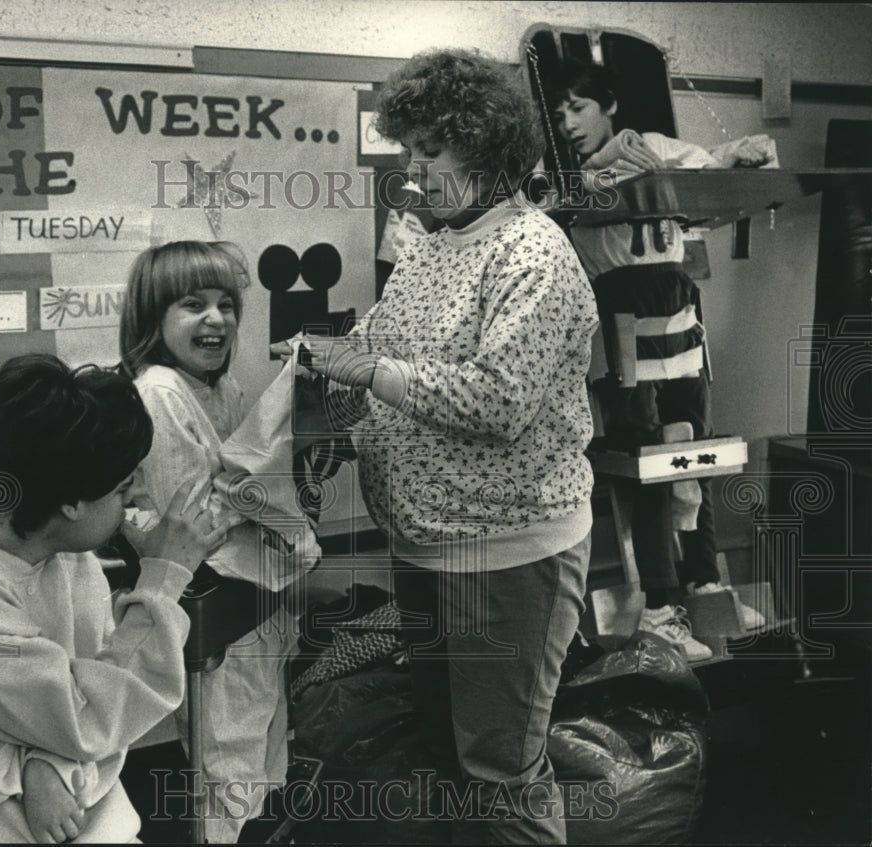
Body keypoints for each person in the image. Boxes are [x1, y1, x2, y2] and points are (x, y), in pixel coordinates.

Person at [274, 48, 598, 844]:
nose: (413, 170)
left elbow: (498, 402)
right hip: (424, 546)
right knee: (447, 756)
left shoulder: (534, 252)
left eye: (430, 151)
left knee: (501, 769)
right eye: (409, 149)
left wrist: (369, 369)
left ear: (488, 151)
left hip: (508, 555)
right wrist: (338, 421)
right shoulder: (429, 244)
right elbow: (386, 349)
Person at [0, 354, 226, 843]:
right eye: (125, 485)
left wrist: (45, 760)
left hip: (56, 812)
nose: (143, 498)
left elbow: (99, 707)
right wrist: (164, 580)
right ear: (70, 502)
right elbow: (91, 720)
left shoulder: (61, 551)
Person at [549, 60, 765, 662]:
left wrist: (746, 154)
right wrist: (604, 164)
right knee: (648, 467)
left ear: (609, 103)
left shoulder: (661, 150)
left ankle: (704, 587)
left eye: (580, 107)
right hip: (621, 337)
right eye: (561, 110)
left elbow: (716, 172)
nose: (569, 122)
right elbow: (549, 201)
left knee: (694, 455)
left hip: (682, 326)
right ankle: (664, 605)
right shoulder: (561, 175)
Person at [119, 239, 292, 844]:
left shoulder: (223, 389)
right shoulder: (161, 392)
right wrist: (268, 484)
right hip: (210, 595)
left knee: (259, 738)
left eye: (226, 305)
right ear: (153, 318)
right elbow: (187, 522)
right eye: (193, 304)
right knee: (225, 755)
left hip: (251, 590)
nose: (216, 319)